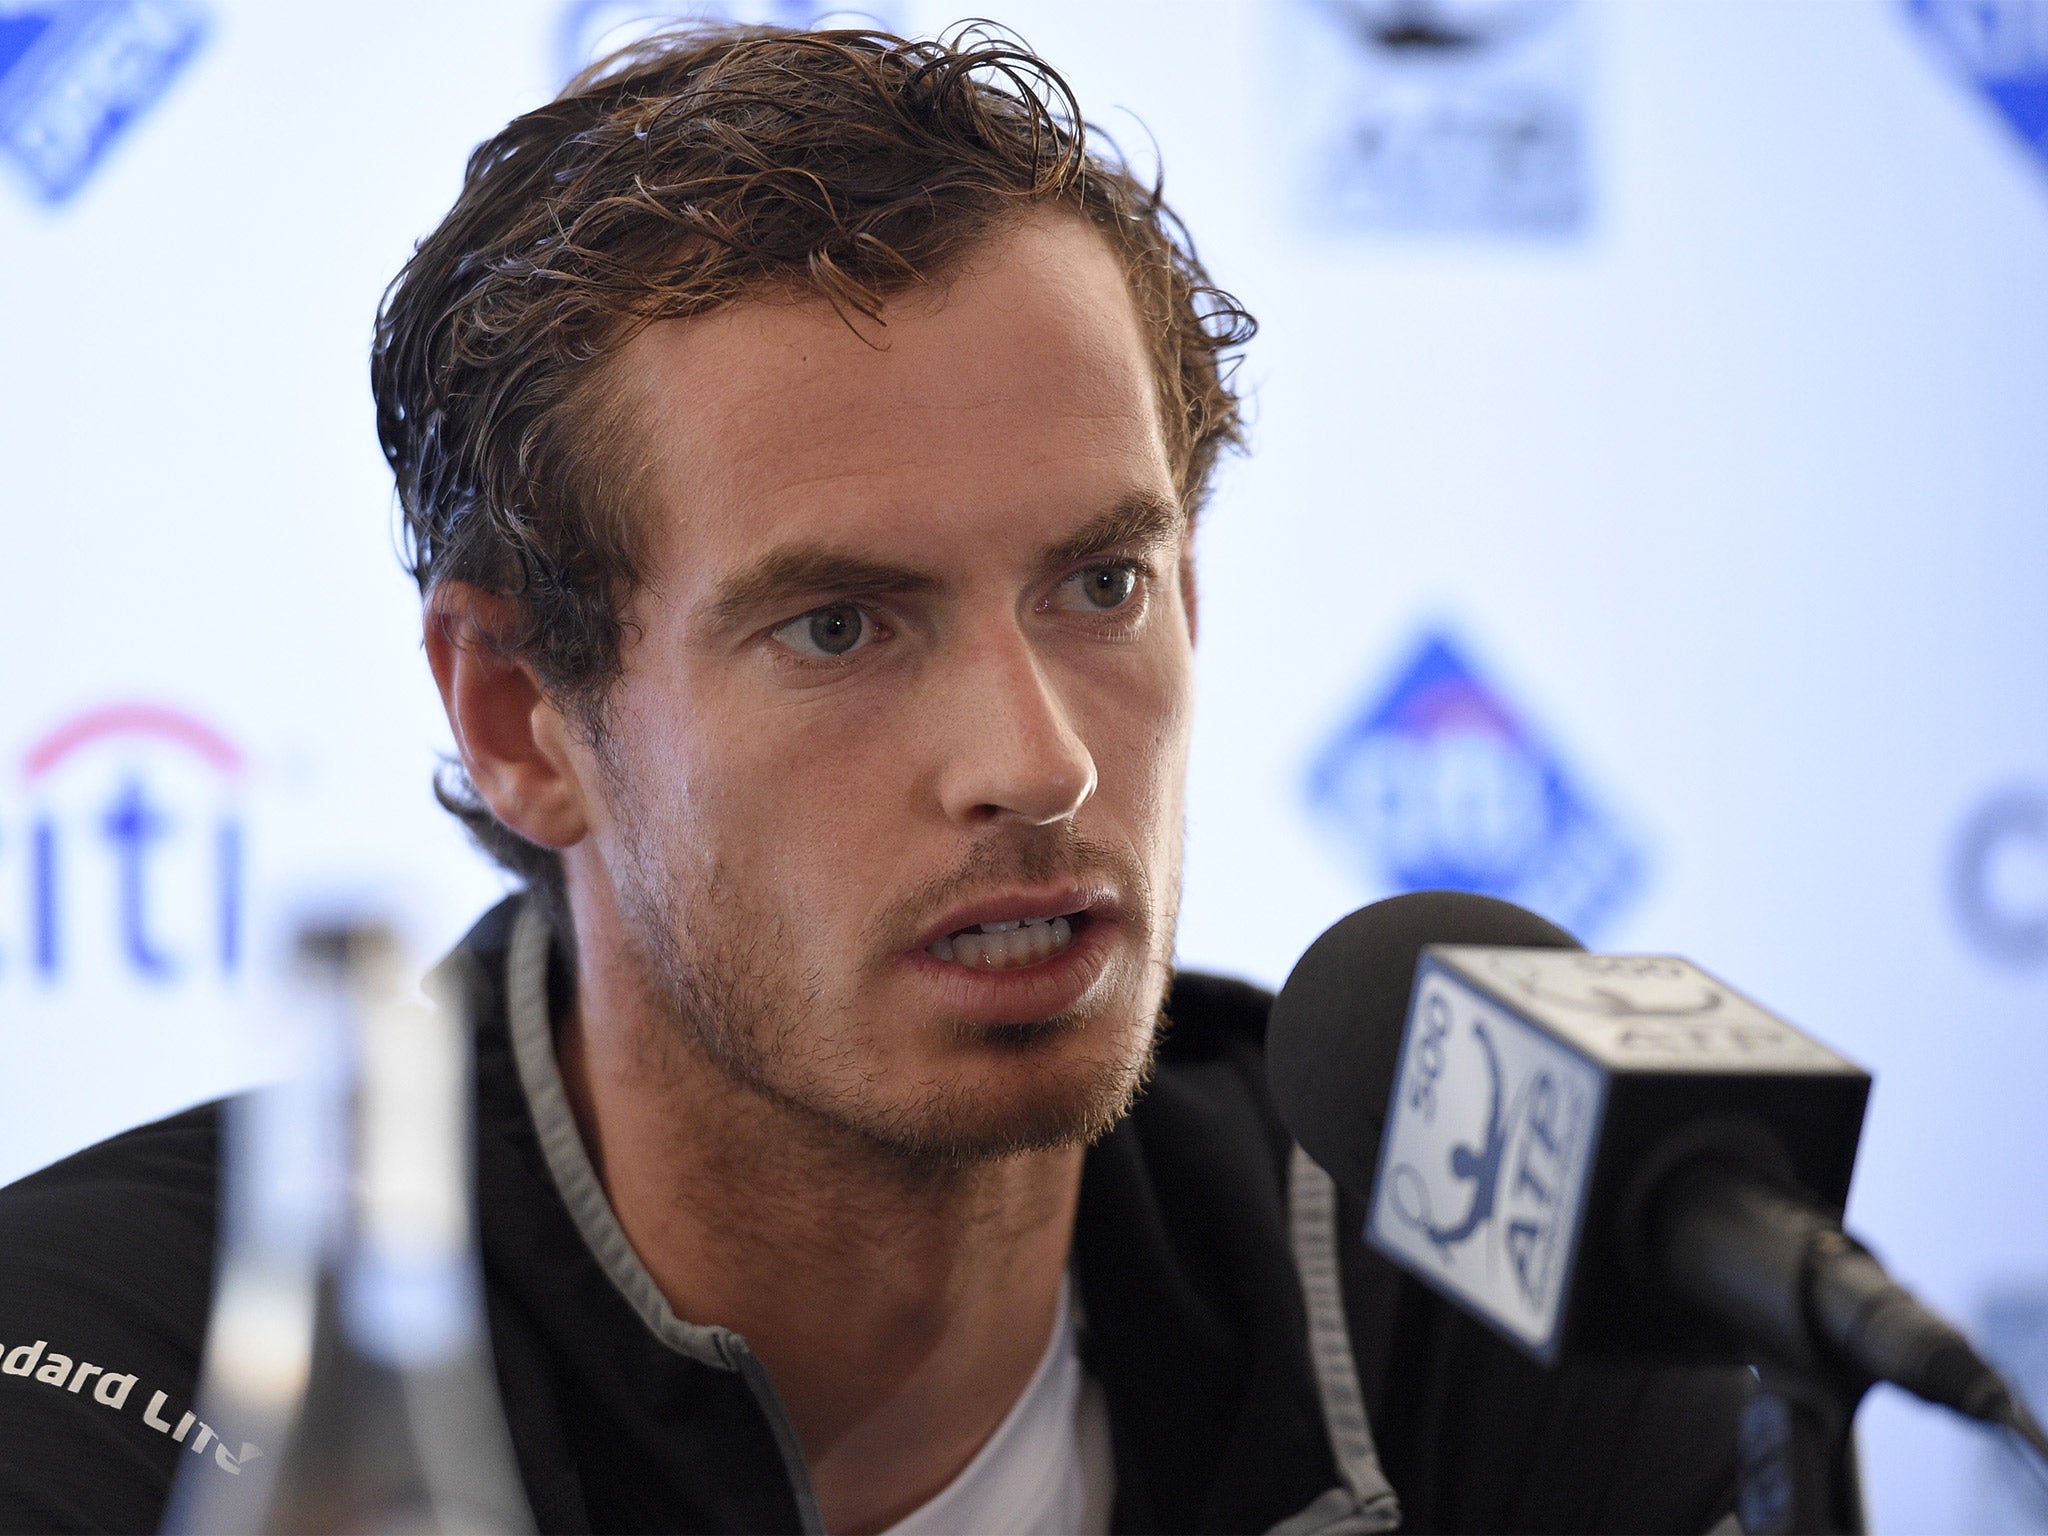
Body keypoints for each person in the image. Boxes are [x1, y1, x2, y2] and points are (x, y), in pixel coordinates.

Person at [0, 25, 1748, 1534]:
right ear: (525, 717)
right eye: (838, 627)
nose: (1040, 759)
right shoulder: (124, 1374)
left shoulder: (1474, 1284)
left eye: (1101, 585)